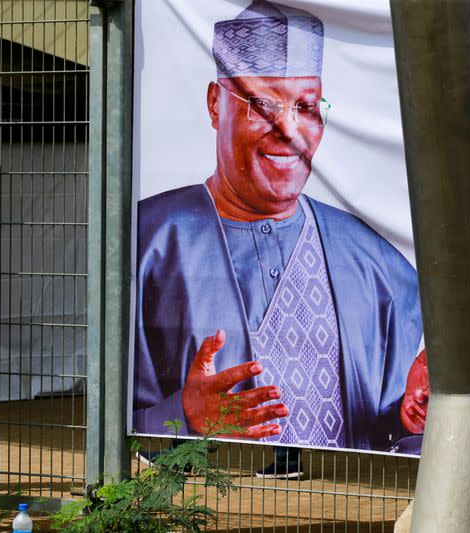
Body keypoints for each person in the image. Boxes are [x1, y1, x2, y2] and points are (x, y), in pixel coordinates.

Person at [133, 0, 428, 464]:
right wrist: (181, 418)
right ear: (216, 103)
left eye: (306, 106)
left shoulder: (373, 263)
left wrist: (410, 419)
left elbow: (391, 434)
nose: (288, 130)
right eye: (263, 105)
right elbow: (107, 426)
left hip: (342, 511)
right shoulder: (145, 242)